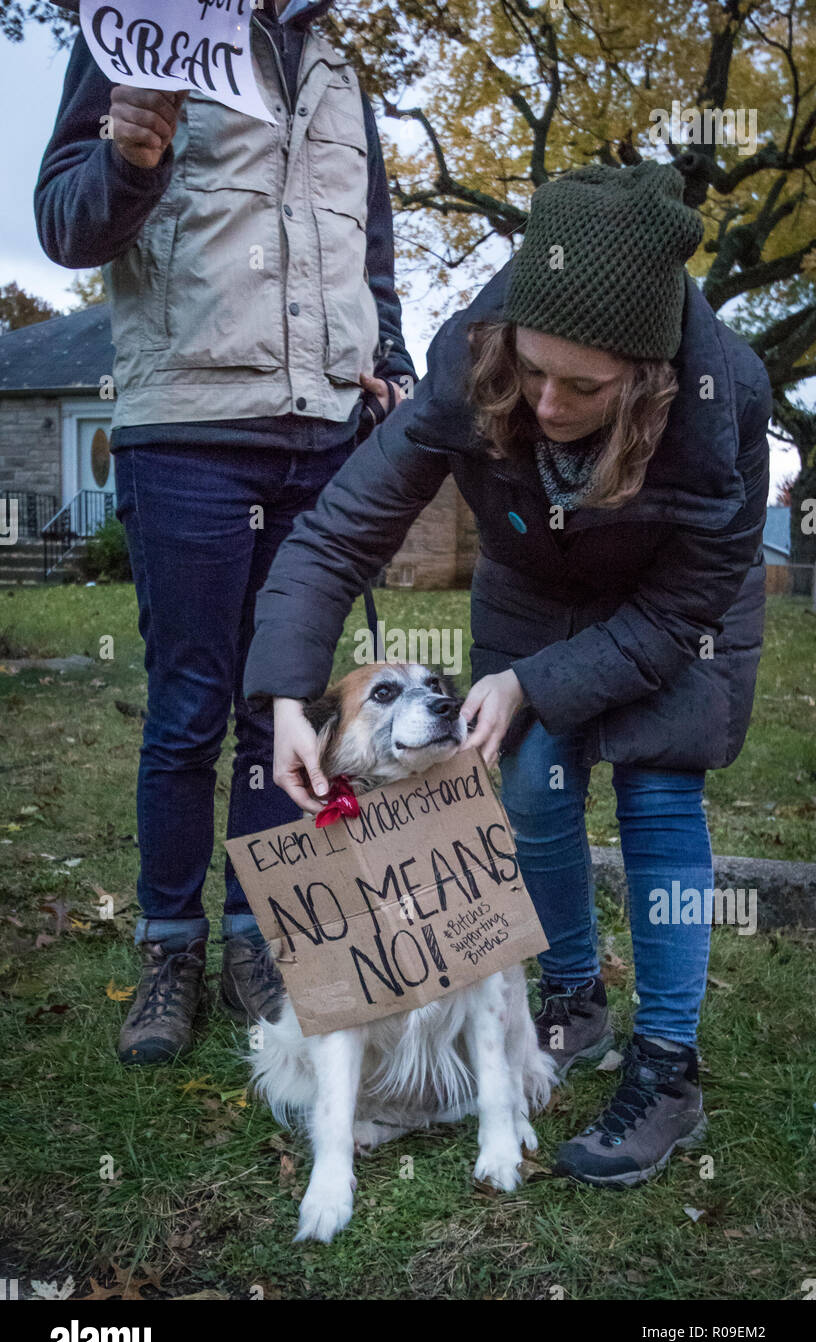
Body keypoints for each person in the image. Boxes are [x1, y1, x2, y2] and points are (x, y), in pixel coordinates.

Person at [242, 161, 773, 1188]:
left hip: (676, 607)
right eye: (534, 373)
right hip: (534, 580)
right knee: (528, 789)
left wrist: (536, 682)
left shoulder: (725, 402)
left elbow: (683, 606)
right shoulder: (467, 359)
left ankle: (666, 1066)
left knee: (659, 789)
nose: (549, 401)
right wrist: (282, 699)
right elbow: (339, 533)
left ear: (651, 376)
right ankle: (571, 996)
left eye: (585, 386)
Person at [34, 0, 415, 1065]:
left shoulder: (342, 69)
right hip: (192, 430)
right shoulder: (139, 30)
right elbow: (65, 223)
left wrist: (393, 359)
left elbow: (369, 249)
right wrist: (132, 154)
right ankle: (169, 947)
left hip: (325, 434)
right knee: (191, 705)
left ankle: (256, 930)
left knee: (277, 704)